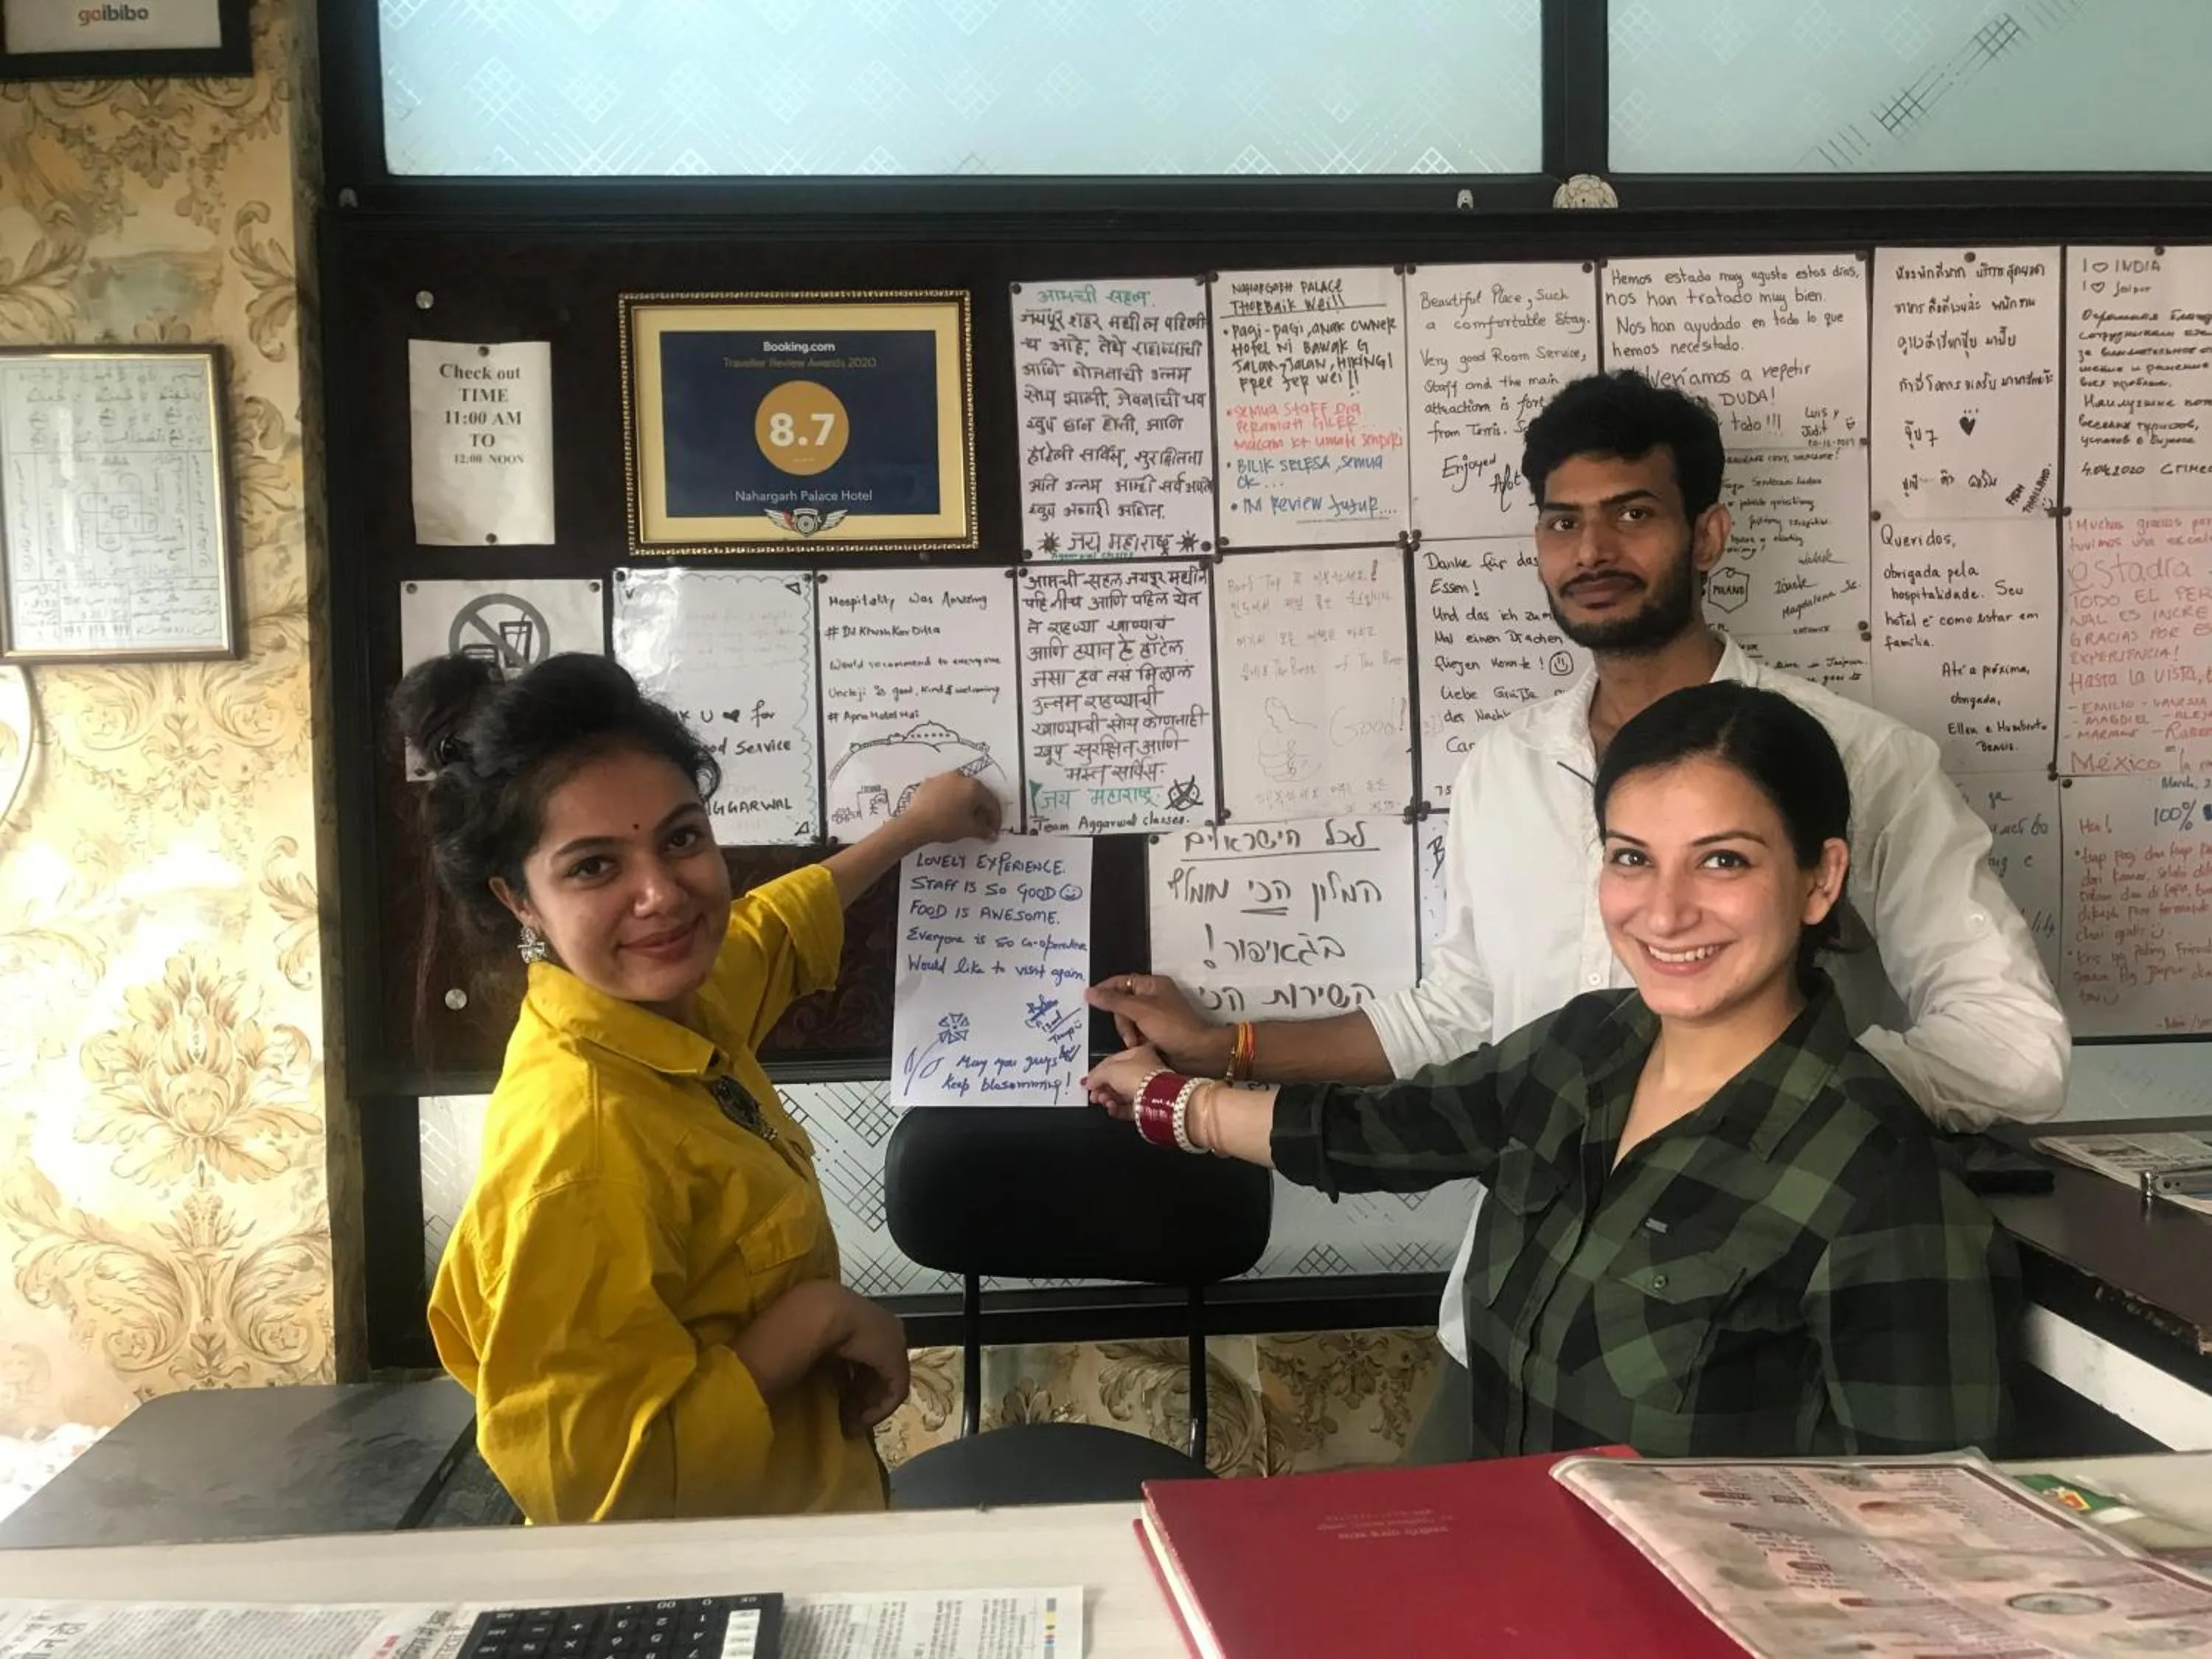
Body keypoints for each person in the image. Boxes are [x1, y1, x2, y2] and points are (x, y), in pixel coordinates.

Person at [1089, 369, 2067, 1461]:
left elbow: (2014, 1044)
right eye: (1564, 521)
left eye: (1634, 513)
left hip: (1723, 1347)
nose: (1594, 549)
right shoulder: (1504, 766)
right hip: (1514, 1317)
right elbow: (1455, 1017)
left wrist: (1772, 1123)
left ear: (1708, 535)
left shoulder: (1859, 760)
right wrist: (1221, 1051)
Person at [1088, 682, 2018, 1459]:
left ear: (1821, 880)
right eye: (1631, 859)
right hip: (1504, 1568)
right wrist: (1169, 1098)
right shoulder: (1587, 1048)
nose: (1665, 911)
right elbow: (1377, 1135)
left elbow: (1923, 1540)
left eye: (1722, 861)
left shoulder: (1877, 1179)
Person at [393, 652, 1001, 1523]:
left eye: (682, 839)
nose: (662, 897)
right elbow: (600, 1495)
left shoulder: (668, 1009)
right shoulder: (583, 1144)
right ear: (518, 899)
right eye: (594, 868)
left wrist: (911, 828)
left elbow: (774, 929)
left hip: (813, 1525)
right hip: (730, 1590)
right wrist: (815, 1321)